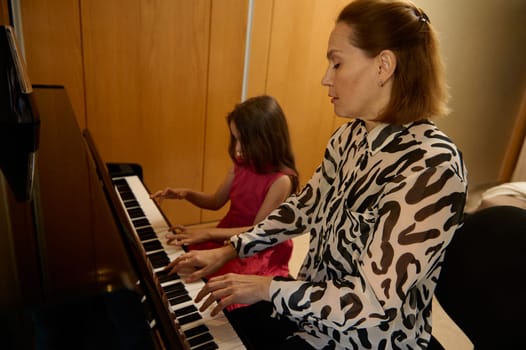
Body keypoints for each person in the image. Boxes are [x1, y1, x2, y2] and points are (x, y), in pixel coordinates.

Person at [165, 1, 468, 349]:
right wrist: (230, 249)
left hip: (367, 339)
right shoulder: (349, 137)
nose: (326, 78)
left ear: (383, 66)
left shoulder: (431, 167)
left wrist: (265, 287)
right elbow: (303, 208)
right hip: (311, 314)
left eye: (337, 63)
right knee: (193, 324)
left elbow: (371, 304)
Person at [151, 95, 299, 310]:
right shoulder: (241, 164)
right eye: (235, 138)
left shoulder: (282, 180)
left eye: (243, 140)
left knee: (225, 296)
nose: (237, 148)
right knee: (181, 259)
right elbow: (215, 201)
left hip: (256, 246)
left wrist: (208, 232)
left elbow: (257, 231)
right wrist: (187, 194)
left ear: (267, 138)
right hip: (229, 233)